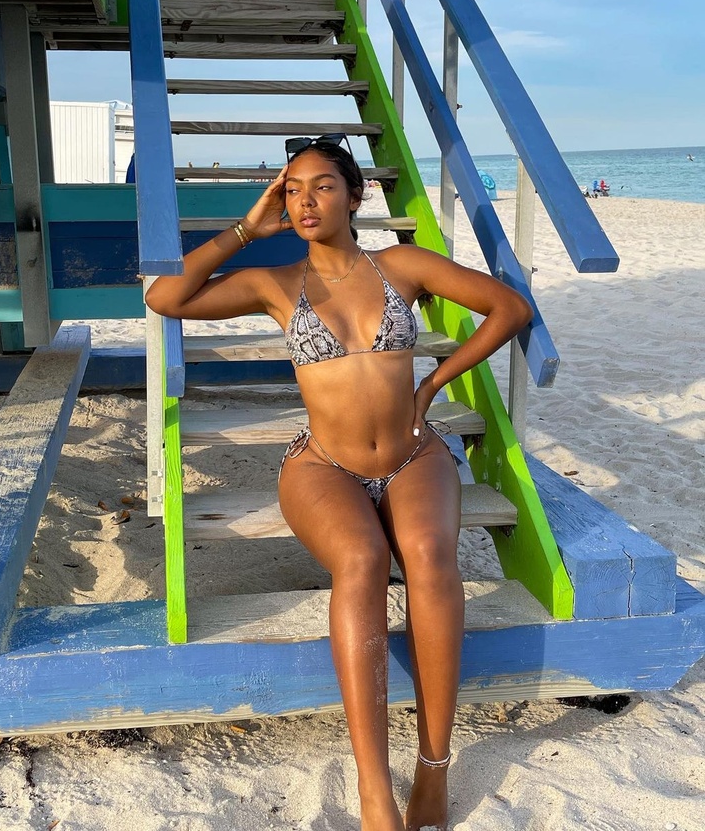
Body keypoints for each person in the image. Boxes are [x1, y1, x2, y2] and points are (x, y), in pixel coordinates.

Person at [145, 134, 532, 831]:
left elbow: (509, 308)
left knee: (430, 556)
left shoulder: (401, 266)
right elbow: (166, 297)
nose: (304, 201)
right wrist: (246, 228)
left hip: (413, 456)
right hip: (324, 464)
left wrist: (435, 382)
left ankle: (434, 765)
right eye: (291, 189)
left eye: (322, 186)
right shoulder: (274, 283)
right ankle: (374, 787)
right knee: (361, 559)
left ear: (356, 196)